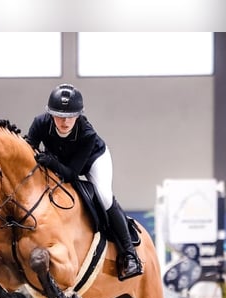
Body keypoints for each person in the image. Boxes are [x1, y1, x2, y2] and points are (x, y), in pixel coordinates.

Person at [24, 83, 143, 281]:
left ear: (78, 115)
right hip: (60, 162)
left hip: (93, 160)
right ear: (50, 114)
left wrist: (52, 161)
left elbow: (72, 174)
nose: (65, 121)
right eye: (59, 115)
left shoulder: (87, 134)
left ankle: (130, 254)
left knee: (104, 196)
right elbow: (29, 151)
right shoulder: (40, 123)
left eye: (70, 116)